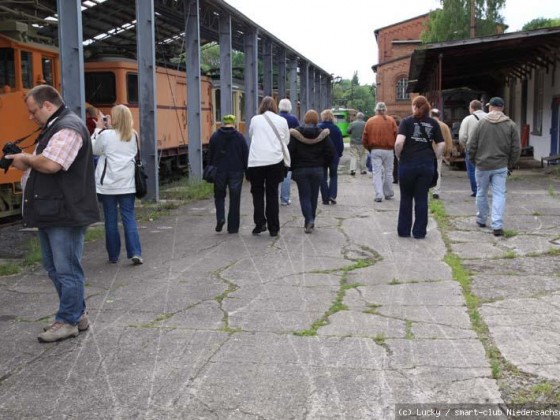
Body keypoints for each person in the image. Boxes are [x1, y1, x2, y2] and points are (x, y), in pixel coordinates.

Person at [6, 85, 100, 342]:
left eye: (33, 111)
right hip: (54, 210)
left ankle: (68, 320)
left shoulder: (67, 127)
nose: (30, 116)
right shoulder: (55, 126)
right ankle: (76, 314)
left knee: (66, 268)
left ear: (47, 105)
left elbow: (51, 164)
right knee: (54, 268)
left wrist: (24, 157)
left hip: (64, 212)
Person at [91, 105, 143, 265]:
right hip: (127, 184)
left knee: (111, 219)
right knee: (129, 217)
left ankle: (113, 255)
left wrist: (97, 129)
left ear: (115, 119)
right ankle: (135, 252)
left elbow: (94, 150)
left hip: (108, 185)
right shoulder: (133, 135)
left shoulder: (105, 135)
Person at [467, 97, 520, 237]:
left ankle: (481, 219)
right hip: (501, 165)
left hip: (482, 165)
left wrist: (474, 160)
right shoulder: (511, 125)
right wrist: (510, 165)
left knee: (481, 192)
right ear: (502, 108)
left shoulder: (481, 124)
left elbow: (471, 145)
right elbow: (516, 148)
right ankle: (497, 225)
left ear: (490, 107)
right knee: (499, 194)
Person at [394, 95, 444, 239]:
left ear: (415, 107)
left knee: (406, 198)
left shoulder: (406, 122)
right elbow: (441, 144)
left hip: (408, 164)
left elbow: (399, 143)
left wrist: (399, 156)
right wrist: (435, 157)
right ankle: (419, 232)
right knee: (422, 198)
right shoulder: (434, 123)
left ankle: (404, 231)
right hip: (426, 165)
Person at [247, 96, 290, 237]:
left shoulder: (255, 119)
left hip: (256, 161)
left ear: (261, 106)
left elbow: (251, 135)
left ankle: (259, 223)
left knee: (257, 193)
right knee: (272, 193)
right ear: (275, 107)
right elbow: (286, 140)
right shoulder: (282, 120)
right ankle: (274, 227)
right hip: (275, 160)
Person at [288, 110, 335, 233]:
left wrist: (292, 167)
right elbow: (331, 152)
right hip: (318, 169)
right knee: (314, 196)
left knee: (304, 196)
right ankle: (311, 220)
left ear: (304, 119)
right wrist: (323, 164)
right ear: (316, 120)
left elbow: (290, 152)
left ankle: (308, 220)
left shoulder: (295, 134)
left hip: (300, 169)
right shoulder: (323, 134)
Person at [207, 114, 248, 234]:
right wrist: (248, 172)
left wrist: (210, 167)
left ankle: (220, 218)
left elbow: (209, 155)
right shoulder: (240, 137)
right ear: (234, 123)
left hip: (219, 171)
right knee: (235, 199)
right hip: (236, 171)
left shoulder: (215, 136)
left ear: (223, 123)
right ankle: (233, 227)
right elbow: (245, 155)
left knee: (219, 196)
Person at [362, 102, 398, 202]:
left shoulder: (370, 121)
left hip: (375, 149)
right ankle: (388, 192)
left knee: (376, 172)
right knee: (388, 172)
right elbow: (396, 135)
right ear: (385, 110)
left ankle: (378, 194)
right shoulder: (391, 121)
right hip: (389, 150)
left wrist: (369, 148)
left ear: (376, 110)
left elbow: (364, 138)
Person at [459, 100, 487, 197]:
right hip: (487, 149)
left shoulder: (467, 119)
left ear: (472, 108)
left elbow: (462, 136)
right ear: (481, 107)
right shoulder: (489, 117)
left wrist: (464, 145)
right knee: (485, 169)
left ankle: (476, 190)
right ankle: (484, 189)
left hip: (471, 148)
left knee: (472, 170)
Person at [318, 109, 344, 205]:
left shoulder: (318, 128)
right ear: (332, 117)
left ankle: (325, 198)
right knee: (333, 175)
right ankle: (332, 195)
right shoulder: (336, 128)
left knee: (323, 177)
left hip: (321, 156)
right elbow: (340, 144)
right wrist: (339, 153)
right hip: (334, 156)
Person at [278, 98, 299, 206]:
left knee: (276, 173)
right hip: (290, 149)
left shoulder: (276, 118)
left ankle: (275, 197)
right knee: (287, 173)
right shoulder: (293, 119)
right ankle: (285, 199)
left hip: (276, 148)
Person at [429, 108, 453, 199]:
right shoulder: (444, 126)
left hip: (427, 152)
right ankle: (436, 191)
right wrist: (448, 152)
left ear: (431, 115)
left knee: (427, 171)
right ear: (439, 116)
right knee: (437, 171)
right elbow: (448, 140)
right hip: (438, 152)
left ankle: (427, 188)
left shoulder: (427, 124)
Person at [392, 115, 402, 183]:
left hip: (392, 147)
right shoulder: (401, 128)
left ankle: (395, 178)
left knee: (395, 164)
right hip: (401, 147)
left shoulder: (391, 129)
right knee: (400, 163)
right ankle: (399, 177)